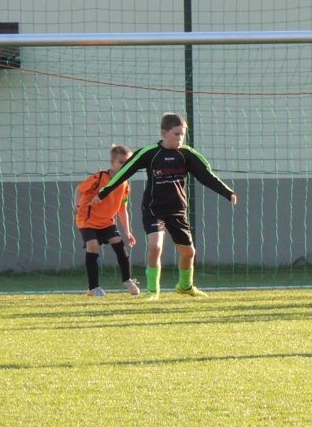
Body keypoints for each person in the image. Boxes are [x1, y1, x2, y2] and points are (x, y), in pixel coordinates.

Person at [93, 112, 238, 299]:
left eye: (183, 134)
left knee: (189, 252)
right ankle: (153, 291)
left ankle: (185, 286)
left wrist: (228, 192)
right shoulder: (150, 153)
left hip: (178, 211)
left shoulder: (187, 154)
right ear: (164, 133)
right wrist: (103, 192)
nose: (180, 138)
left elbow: (207, 176)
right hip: (154, 210)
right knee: (155, 246)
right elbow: (125, 172)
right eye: (176, 134)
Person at [73, 144, 140, 297]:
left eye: (128, 163)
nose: (125, 166)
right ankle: (93, 288)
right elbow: (79, 189)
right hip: (87, 219)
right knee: (93, 246)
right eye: (121, 162)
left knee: (119, 244)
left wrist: (128, 232)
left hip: (107, 222)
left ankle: (127, 280)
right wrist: (76, 204)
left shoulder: (125, 183)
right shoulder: (100, 178)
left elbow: (122, 209)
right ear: (112, 162)